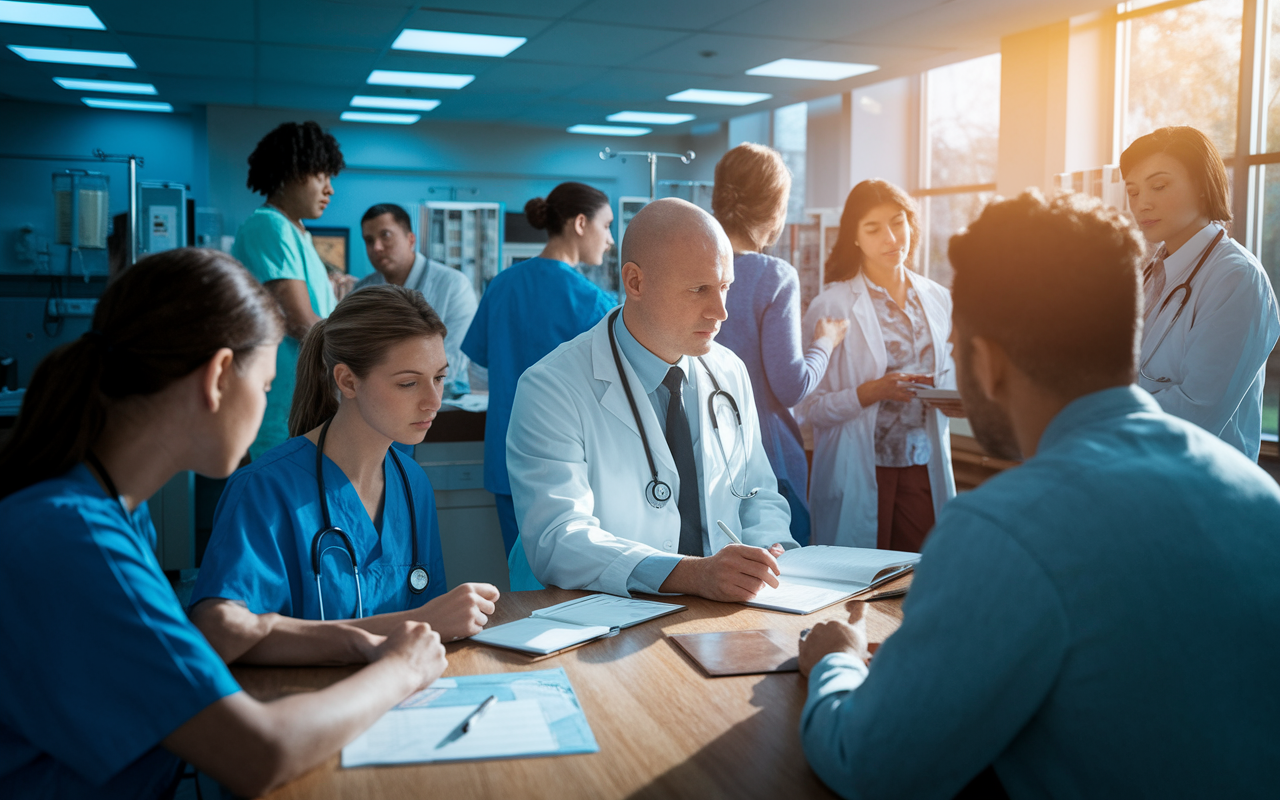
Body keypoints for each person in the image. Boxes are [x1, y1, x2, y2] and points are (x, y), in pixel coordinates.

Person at [797, 191, 1280, 799]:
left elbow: (865, 762)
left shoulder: (1001, 529)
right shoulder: (1259, 497)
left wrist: (835, 658)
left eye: (955, 350)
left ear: (986, 362)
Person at [0, 249, 446, 798]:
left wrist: (352, 644)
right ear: (217, 378)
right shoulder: (74, 539)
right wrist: (401, 668)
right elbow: (259, 753)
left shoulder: (117, 518)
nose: (267, 408)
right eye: (262, 387)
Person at [506, 197, 797, 599]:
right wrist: (692, 574)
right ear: (635, 282)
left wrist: (767, 549)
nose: (720, 311)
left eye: (725, 286)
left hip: (720, 607)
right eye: (699, 290)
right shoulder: (552, 388)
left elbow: (757, 492)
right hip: (602, 617)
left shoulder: (729, 371)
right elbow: (557, 538)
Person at [190, 286, 499, 663]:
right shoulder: (265, 489)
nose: (433, 401)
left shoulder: (412, 484)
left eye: (438, 378)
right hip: (303, 705)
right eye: (408, 382)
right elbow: (217, 629)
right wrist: (414, 622)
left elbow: (429, 628)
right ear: (348, 381)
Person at [798, 180, 958, 552]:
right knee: (858, 591)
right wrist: (870, 393)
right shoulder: (832, 305)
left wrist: (953, 400)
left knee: (916, 583)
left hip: (922, 464)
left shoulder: (938, 298)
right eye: (873, 228)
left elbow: (948, 375)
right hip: (859, 466)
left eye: (898, 222)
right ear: (854, 236)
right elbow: (807, 406)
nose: (891, 237)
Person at [461, 182, 617, 556]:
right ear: (581, 223)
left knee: (520, 577)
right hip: (567, 464)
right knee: (570, 582)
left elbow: (478, 368)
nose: (610, 239)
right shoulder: (594, 302)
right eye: (607, 225)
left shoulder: (501, 285)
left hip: (505, 458)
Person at [713, 143, 850, 546]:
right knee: (783, 584)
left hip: (704, 455)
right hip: (768, 462)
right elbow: (791, 385)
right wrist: (825, 342)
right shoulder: (773, 277)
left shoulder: (691, 270)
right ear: (775, 211)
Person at [1121, 125, 1280, 460]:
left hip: (1201, 483)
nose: (1142, 204)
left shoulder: (1237, 278)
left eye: (1159, 186)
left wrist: (1104, 422)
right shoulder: (1152, 272)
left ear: (1203, 188)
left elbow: (1198, 412)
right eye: (1133, 192)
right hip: (1142, 468)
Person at [233, 120, 350, 458]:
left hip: (308, 398)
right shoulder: (269, 225)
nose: (329, 189)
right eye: (321, 176)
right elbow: (302, 321)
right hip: (283, 403)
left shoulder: (299, 233)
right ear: (290, 172)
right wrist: (364, 354)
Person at [355, 203, 479, 398]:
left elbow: (452, 362)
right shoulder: (362, 292)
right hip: (374, 408)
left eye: (385, 236)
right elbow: (354, 357)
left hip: (438, 406)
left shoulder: (453, 285)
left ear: (410, 239)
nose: (376, 247)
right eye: (369, 240)